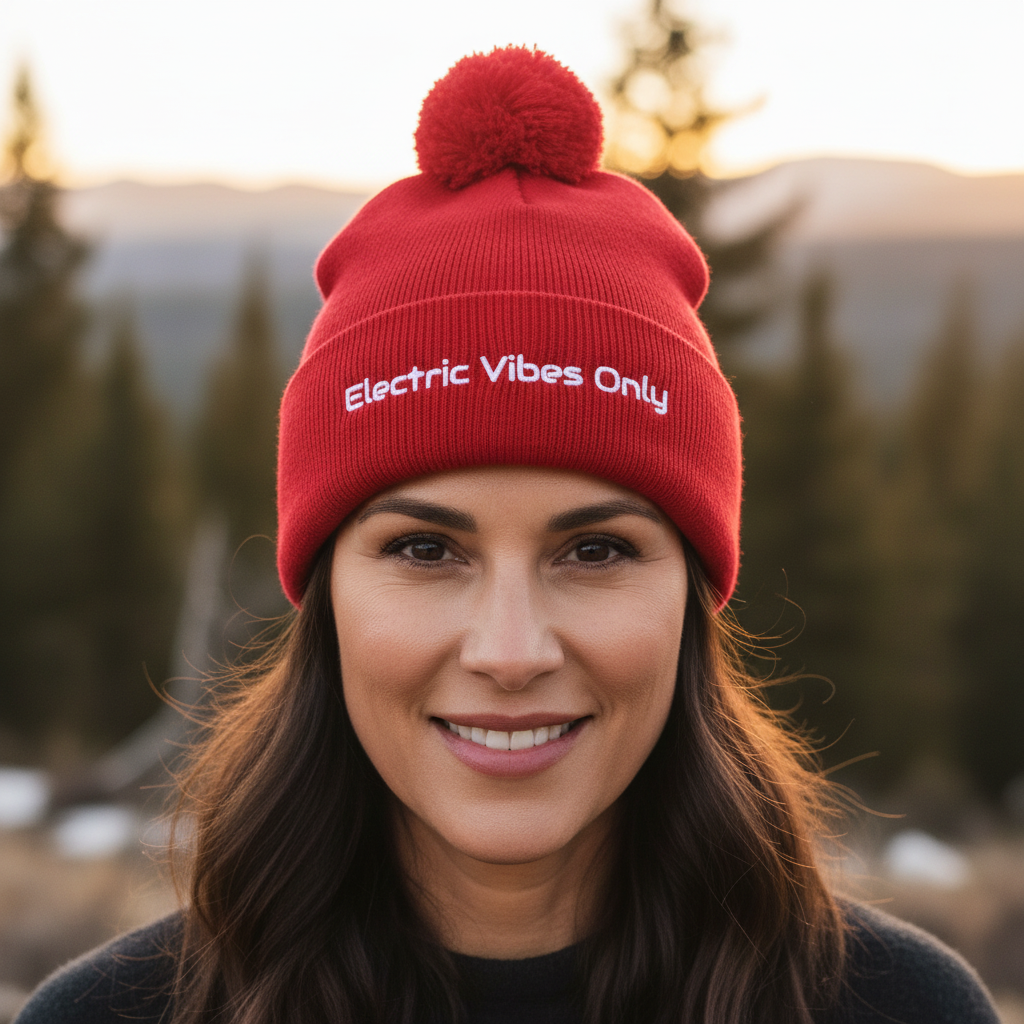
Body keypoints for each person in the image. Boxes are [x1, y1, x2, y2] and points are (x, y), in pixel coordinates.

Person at [16, 45, 999, 1024]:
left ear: (691, 593)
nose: (510, 651)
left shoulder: (897, 1008)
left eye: (597, 550)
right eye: (425, 549)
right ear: (327, 594)